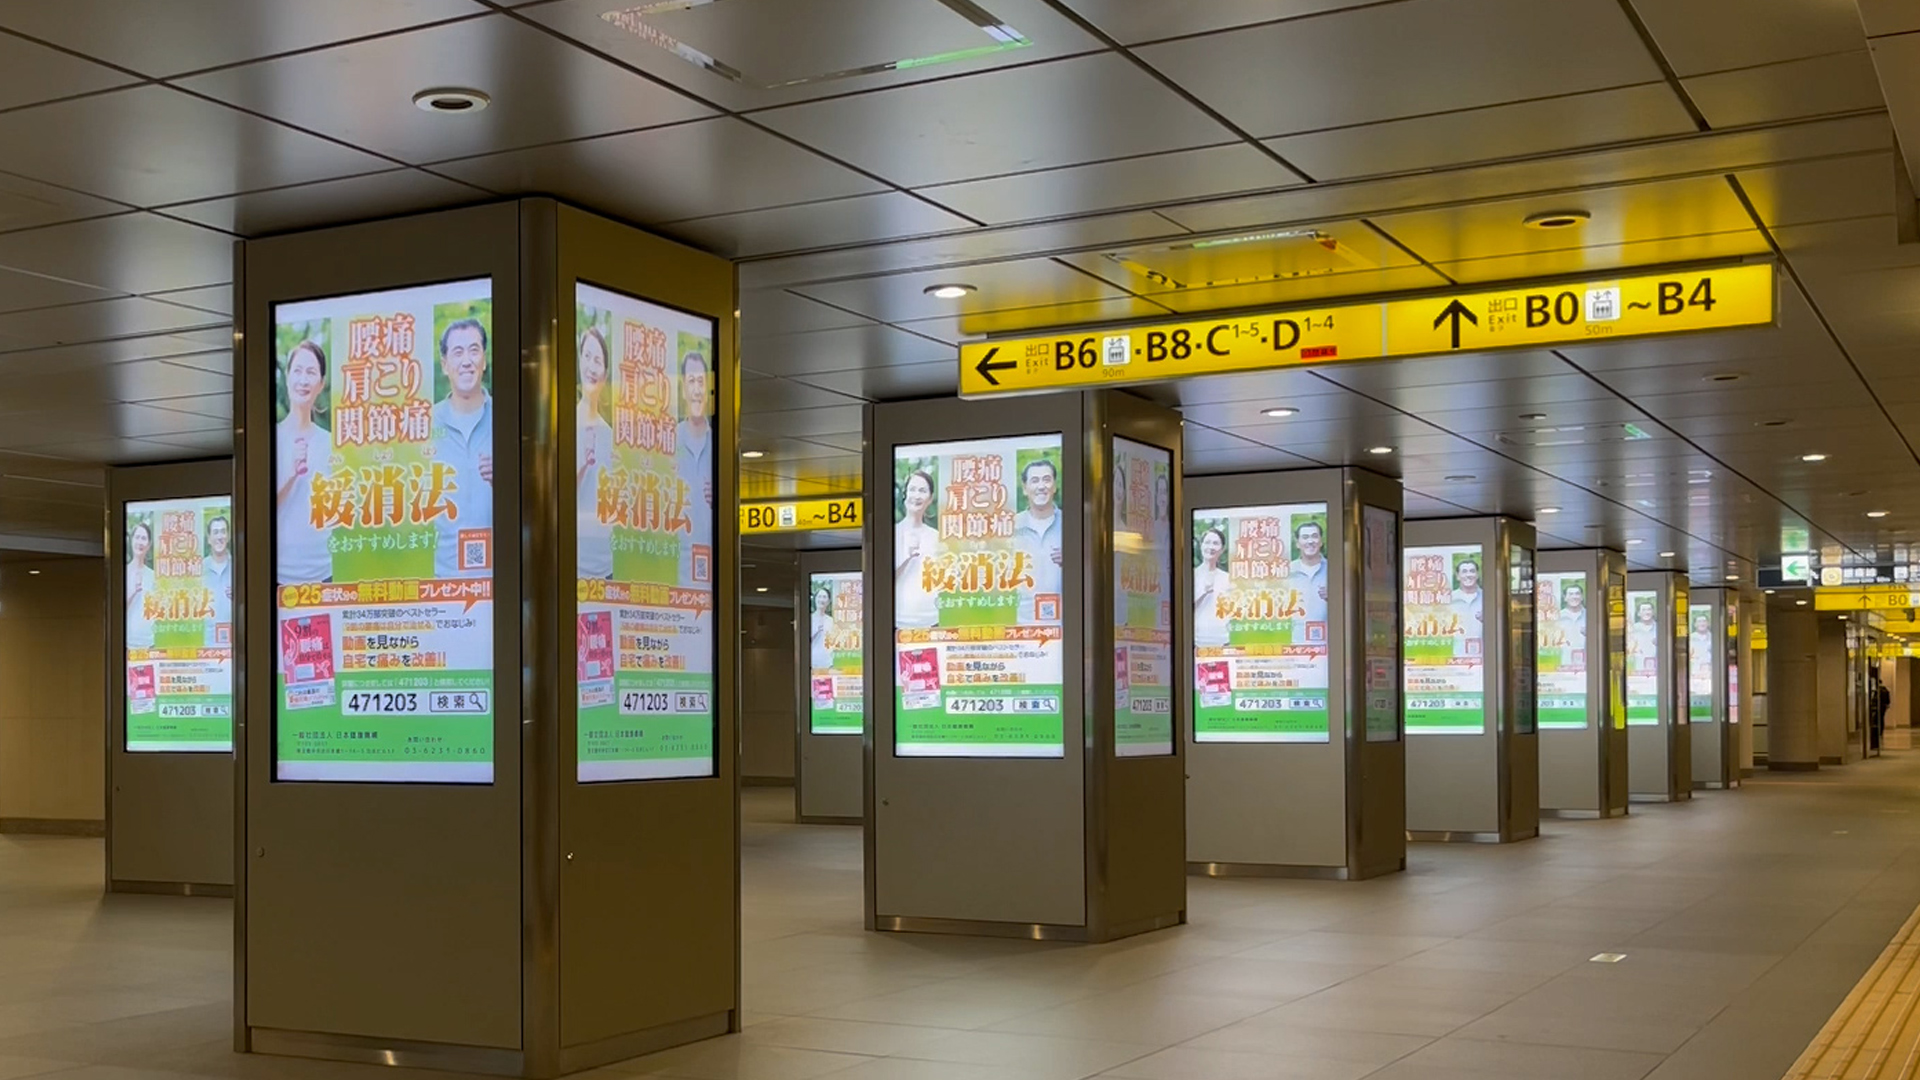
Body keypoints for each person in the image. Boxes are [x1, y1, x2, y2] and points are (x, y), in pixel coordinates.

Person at [432, 318, 494, 580]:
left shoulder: (509, 421)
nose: (467, 361)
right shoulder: (425, 423)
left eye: (474, 350)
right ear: (445, 365)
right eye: (457, 353)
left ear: (484, 359)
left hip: (499, 584)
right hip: (440, 582)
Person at [275, 341, 332, 586]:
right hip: (278, 577)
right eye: (297, 371)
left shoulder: (331, 443)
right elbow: (256, 511)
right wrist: (289, 474)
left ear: (321, 383)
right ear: (287, 378)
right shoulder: (270, 441)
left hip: (325, 575)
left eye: (311, 373)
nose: (303, 380)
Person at [575, 326, 614, 580]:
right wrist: (582, 462)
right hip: (572, 569)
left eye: (597, 360)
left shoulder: (610, 435)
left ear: (606, 372)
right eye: (586, 357)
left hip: (608, 571)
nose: (591, 366)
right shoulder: (563, 426)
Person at [674, 349, 714, 586]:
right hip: (674, 578)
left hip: (713, 581)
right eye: (691, 381)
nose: (697, 389)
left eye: (701, 381)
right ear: (683, 389)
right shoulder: (669, 441)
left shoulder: (720, 444)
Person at [1012, 457, 1063, 623]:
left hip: (1065, 626)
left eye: (1046, 480)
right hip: (1021, 625)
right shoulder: (1010, 526)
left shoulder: (1072, 524)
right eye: (1034, 481)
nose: (1041, 486)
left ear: (1054, 486)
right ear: (1025, 489)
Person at [894, 469, 940, 627]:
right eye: (912, 489)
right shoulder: (892, 534)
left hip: (933, 622)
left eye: (922, 491)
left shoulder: (937, 537)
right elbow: (880, 581)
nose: (916, 496)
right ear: (905, 495)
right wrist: (907, 557)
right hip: (898, 623)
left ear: (930, 498)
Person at [1193, 525, 1231, 647]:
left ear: (1222, 549)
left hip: (1223, 641)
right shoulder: (1191, 575)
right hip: (1196, 641)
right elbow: (1182, 609)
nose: (1211, 547)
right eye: (1207, 542)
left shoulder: (1227, 578)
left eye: (1215, 543)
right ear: (1201, 545)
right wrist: (1204, 591)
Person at [1290, 519, 1328, 628]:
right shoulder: (1287, 571)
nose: (1310, 541)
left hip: (1328, 641)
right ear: (1297, 543)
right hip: (1294, 642)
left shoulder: (1333, 571)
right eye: (1305, 537)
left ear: (1321, 542)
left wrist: (1335, 596)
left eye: (1314, 536)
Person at [126, 520, 156, 651]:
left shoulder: (153, 575)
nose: (140, 542)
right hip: (127, 643)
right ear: (131, 541)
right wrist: (132, 592)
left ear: (148, 545)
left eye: (144, 538)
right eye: (137, 537)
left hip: (149, 643)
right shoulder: (123, 573)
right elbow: (115, 610)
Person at [204, 514, 232, 632]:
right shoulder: (199, 569)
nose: (219, 536)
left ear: (228, 536)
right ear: (209, 539)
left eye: (223, 531)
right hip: (206, 641)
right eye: (215, 532)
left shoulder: (239, 566)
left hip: (234, 638)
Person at [1453, 557, 1483, 640]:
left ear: (1477, 575)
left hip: (1485, 651)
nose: (1468, 575)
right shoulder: (1449, 599)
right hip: (1456, 652)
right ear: (1458, 576)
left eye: (1472, 571)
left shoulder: (1487, 599)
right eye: (1464, 572)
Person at [809, 586, 835, 671]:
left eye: (824, 597)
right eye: (819, 597)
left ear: (828, 601)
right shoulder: (809, 619)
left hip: (828, 663)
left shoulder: (831, 620)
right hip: (813, 662)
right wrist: (816, 631)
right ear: (815, 599)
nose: (821, 600)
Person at [1559, 582, 1587, 650]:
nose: (1574, 597)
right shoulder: (1558, 617)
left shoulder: (1589, 616)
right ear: (1565, 598)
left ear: (1582, 597)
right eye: (1570, 594)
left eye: (1577, 594)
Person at [1873, 673, 1889, 751]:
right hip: (1884, 707)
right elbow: (1888, 700)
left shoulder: (1878, 691)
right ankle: (1881, 731)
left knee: (1877, 719)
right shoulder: (1885, 690)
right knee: (1882, 719)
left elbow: (1874, 699)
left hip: (1879, 706)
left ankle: (1878, 731)